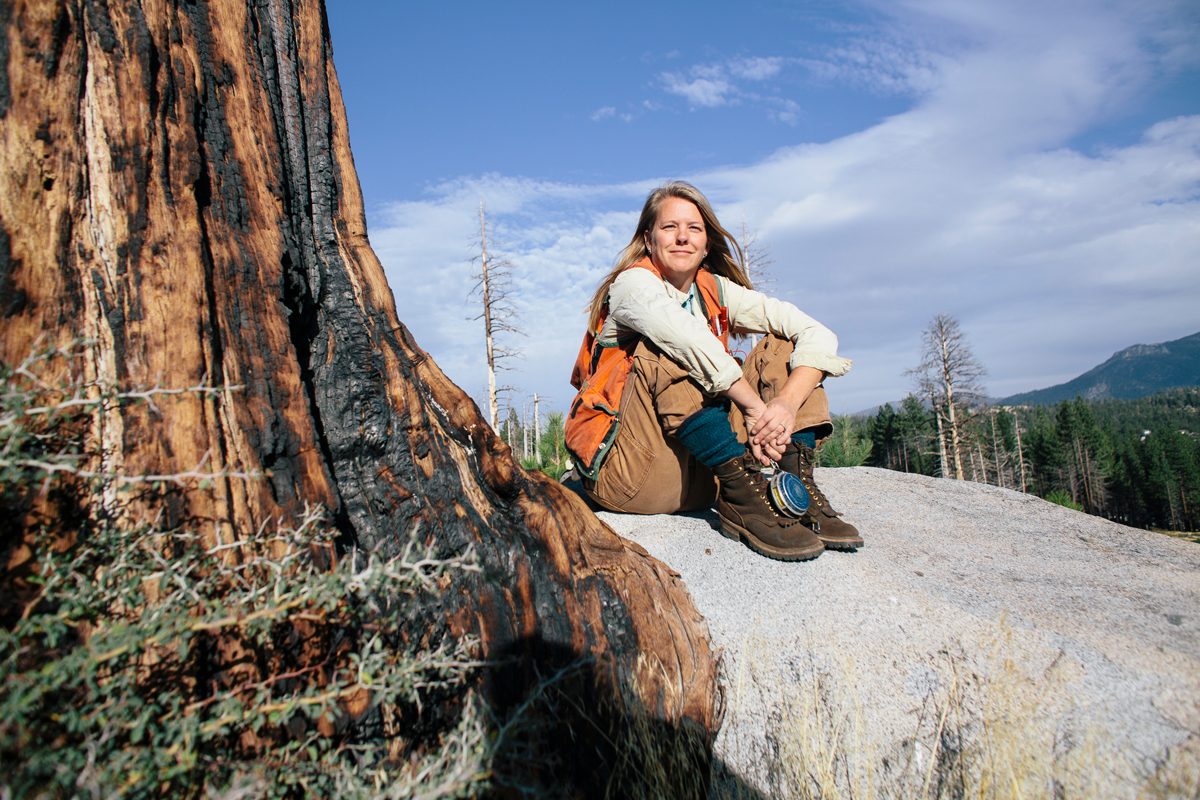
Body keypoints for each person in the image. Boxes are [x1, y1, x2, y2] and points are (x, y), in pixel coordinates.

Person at [565, 181, 861, 562]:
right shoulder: (631, 286)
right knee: (667, 345)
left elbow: (817, 332)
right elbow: (686, 338)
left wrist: (784, 406)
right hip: (637, 475)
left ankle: (795, 490)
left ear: (707, 244)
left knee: (783, 345)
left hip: (706, 472)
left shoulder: (715, 290)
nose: (682, 237)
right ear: (648, 239)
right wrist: (755, 408)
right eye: (669, 227)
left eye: (694, 228)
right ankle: (743, 497)